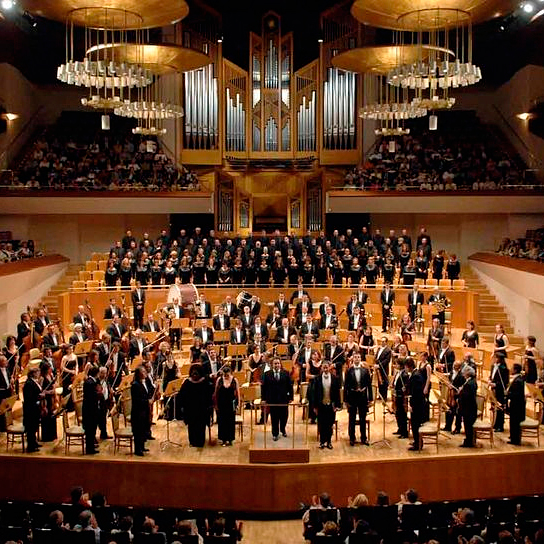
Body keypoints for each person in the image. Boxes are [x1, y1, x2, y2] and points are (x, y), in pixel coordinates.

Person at [179, 363, 213, 447]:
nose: (194, 375)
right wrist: (183, 406)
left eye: (196, 373)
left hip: (202, 409)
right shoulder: (187, 382)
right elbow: (182, 395)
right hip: (190, 409)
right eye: (193, 373)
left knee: (201, 426)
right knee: (192, 426)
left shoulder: (205, 382)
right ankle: (192, 441)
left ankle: (200, 442)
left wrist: (209, 406)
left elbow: (209, 395)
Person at [261, 358, 293, 441]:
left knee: (284, 416)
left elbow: (290, 386)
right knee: (274, 417)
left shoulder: (286, 373)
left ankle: (283, 429)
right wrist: (263, 398)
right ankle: (275, 433)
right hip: (272, 400)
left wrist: (291, 397)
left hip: (283, 399)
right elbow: (263, 387)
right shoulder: (267, 374)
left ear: (280, 364)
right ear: (272, 365)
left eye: (278, 363)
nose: (277, 365)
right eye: (275, 363)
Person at [344, 352, 372, 446]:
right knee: (351, 419)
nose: (357, 359)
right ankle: (352, 438)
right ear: (353, 359)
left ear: (360, 358)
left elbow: (369, 385)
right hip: (352, 397)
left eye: (358, 357)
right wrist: (345, 400)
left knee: (362, 418)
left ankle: (363, 438)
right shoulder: (349, 370)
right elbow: (346, 386)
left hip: (363, 398)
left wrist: (370, 398)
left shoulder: (365, 370)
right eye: (355, 357)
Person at [314, 361, 341, 449]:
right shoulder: (317, 378)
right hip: (321, 405)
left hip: (331, 405)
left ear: (329, 367)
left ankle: (329, 442)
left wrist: (337, 406)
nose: (325, 369)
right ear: (321, 368)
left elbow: (337, 393)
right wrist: (315, 407)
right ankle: (322, 442)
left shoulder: (335, 378)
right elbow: (314, 393)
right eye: (324, 367)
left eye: (327, 367)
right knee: (321, 424)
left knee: (329, 424)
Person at [214, 365, 240, 446]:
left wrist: (238, 404)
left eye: (227, 375)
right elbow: (216, 393)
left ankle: (230, 439)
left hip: (231, 404)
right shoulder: (219, 380)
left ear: (230, 373)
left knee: (230, 421)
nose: (226, 377)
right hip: (221, 404)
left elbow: (238, 393)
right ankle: (223, 439)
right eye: (224, 375)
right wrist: (216, 405)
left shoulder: (234, 380)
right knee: (222, 422)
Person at [405, 358, 425, 451]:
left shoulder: (415, 376)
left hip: (417, 404)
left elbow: (416, 393)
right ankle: (417, 441)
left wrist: (411, 405)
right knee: (415, 424)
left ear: (408, 366)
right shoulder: (415, 374)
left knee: (415, 424)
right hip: (418, 403)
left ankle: (418, 444)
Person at [131, 366, 151, 456]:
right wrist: (147, 401)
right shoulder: (135, 385)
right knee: (138, 431)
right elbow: (137, 400)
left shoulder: (144, 382)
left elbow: (146, 394)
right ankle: (137, 450)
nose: (145, 372)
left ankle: (142, 447)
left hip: (144, 410)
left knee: (143, 429)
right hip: (138, 412)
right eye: (143, 371)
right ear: (139, 374)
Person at [23, 367, 43, 453]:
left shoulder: (34, 381)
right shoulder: (29, 383)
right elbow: (30, 398)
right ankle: (31, 447)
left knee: (34, 426)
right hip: (30, 410)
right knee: (31, 428)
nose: (39, 374)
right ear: (33, 373)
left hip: (34, 409)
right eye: (38, 372)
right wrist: (39, 397)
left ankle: (34, 443)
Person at [83, 366, 101, 455]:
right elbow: (92, 397)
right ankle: (89, 449)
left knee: (92, 430)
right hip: (90, 411)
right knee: (90, 430)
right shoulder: (90, 383)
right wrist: (98, 393)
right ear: (97, 373)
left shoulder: (91, 381)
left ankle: (91, 446)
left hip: (90, 409)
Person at [489, 353, 509, 433]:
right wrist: (490, 380)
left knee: (500, 408)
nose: (494, 359)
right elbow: (492, 376)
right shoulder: (493, 366)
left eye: (496, 358)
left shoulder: (504, 369)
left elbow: (505, 382)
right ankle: (495, 423)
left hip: (500, 391)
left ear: (500, 359)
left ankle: (500, 426)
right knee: (494, 407)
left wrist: (495, 384)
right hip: (493, 389)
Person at [459, 365, 478, 447]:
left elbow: (467, 396)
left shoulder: (469, 384)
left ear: (468, 373)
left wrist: (461, 391)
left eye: (464, 372)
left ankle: (469, 442)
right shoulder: (472, 381)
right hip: (471, 408)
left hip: (468, 408)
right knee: (468, 425)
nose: (463, 373)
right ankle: (469, 440)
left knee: (468, 426)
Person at [507, 363, 526, 445]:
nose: (510, 369)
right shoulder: (518, 379)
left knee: (515, 423)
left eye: (512, 368)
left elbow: (516, 394)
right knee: (513, 422)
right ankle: (513, 437)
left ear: (515, 370)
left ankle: (515, 440)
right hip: (516, 405)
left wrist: (507, 394)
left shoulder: (518, 381)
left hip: (517, 406)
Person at [39, 361, 57, 442]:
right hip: (46, 400)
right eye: (50, 368)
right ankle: (46, 436)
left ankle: (52, 435)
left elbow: (54, 386)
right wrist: (50, 392)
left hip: (51, 399)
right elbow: (41, 391)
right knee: (47, 417)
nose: (51, 369)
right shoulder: (42, 378)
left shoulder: (50, 375)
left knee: (52, 416)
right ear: (46, 369)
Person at [392, 359, 408, 438]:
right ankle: (400, 429)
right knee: (397, 413)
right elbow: (395, 382)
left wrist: (402, 389)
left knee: (402, 415)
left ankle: (404, 432)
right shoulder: (398, 373)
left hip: (401, 397)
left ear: (401, 365)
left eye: (397, 364)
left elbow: (405, 386)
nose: (395, 365)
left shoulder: (404, 374)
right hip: (396, 395)